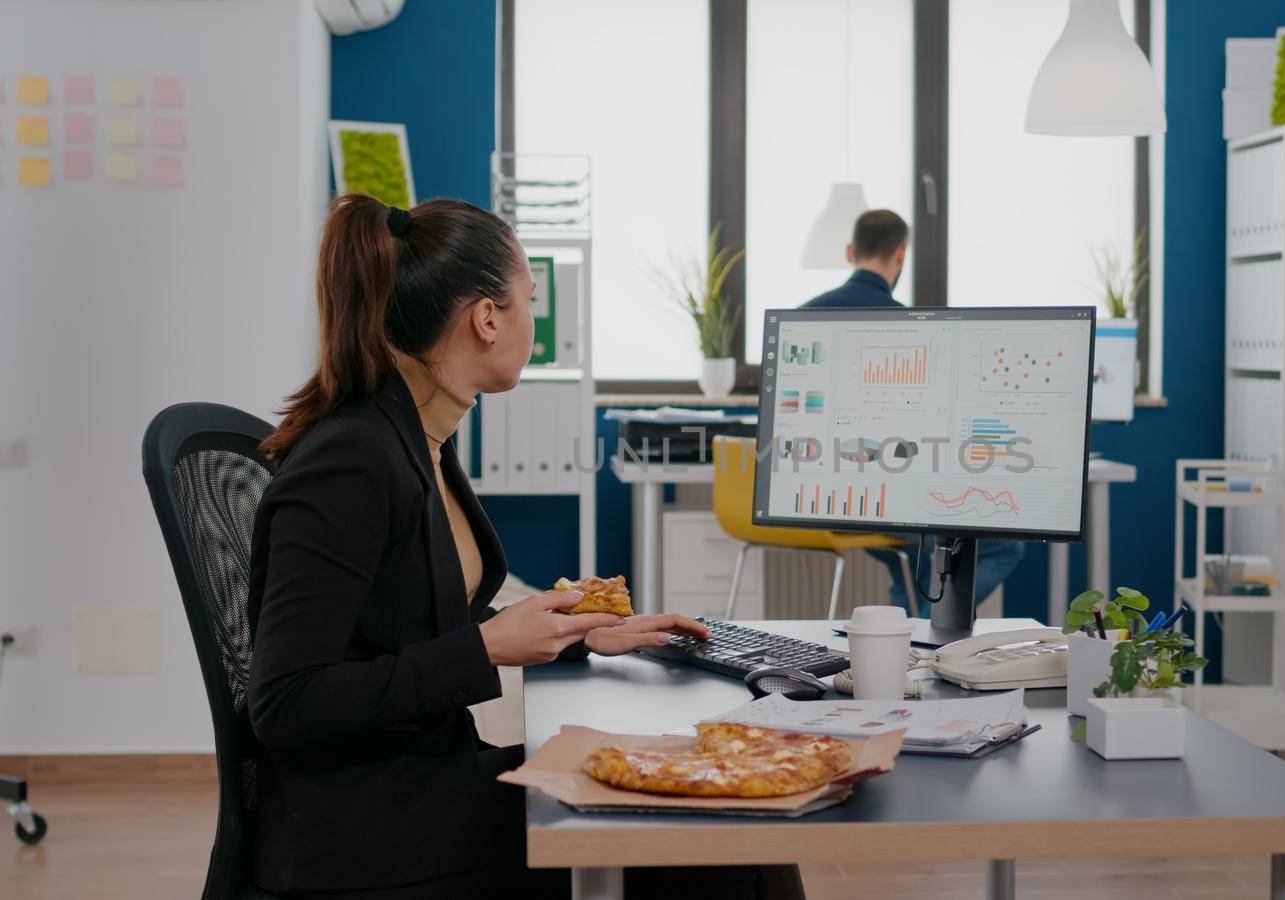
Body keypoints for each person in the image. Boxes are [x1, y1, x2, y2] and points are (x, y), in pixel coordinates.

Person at [249, 194, 805, 898]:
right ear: (487, 317)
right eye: (529, 300)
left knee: (721, 811)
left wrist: (574, 633)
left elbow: (401, 627)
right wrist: (487, 648)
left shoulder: (415, 440)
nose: (533, 320)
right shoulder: (353, 462)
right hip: (370, 833)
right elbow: (287, 702)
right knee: (725, 836)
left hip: (418, 787)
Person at [801, 210, 1027, 611]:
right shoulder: (908, 324)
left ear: (851, 251)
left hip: (815, 498)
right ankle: (925, 631)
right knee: (1001, 546)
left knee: (909, 559)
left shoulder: (803, 317)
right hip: (882, 497)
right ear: (900, 254)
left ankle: (902, 639)